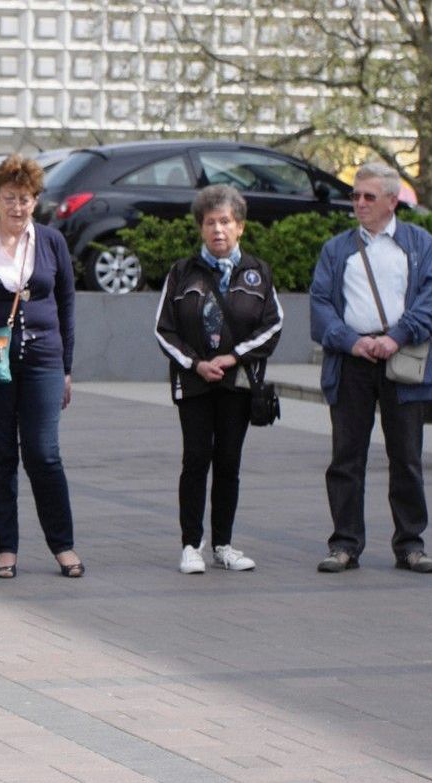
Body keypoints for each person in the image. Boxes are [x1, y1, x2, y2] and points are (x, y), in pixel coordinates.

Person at [0, 154, 83, 579]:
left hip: (44, 361)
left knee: (44, 454)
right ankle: (5, 548)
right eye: (9, 198)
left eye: (25, 199)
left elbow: (66, 306)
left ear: (35, 201)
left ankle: (63, 545)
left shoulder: (52, 242)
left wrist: (66, 367)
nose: (17, 207)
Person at [309, 160, 432, 574]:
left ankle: (411, 544)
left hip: (401, 360)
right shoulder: (336, 249)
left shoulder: (420, 244)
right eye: (355, 196)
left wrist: (397, 336)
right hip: (352, 361)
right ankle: (344, 544)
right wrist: (351, 341)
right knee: (346, 458)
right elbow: (320, 305)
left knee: (406, 457)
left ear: (392, 201)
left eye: (369, 196)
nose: (359, 203)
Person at [153, 185, 284, 574]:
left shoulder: (258, 272)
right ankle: (191, 544)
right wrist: (196, 364)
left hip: (236, 383)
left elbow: (273, 325)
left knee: (228, 461)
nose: (218, 230)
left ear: (240, 226)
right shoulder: (182, 272)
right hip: (194, 383)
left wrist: (234, 356)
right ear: (201, 228)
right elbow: (163, 330)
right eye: (210, 222)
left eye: (226, 221)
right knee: (196, 459)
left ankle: (223, 544)